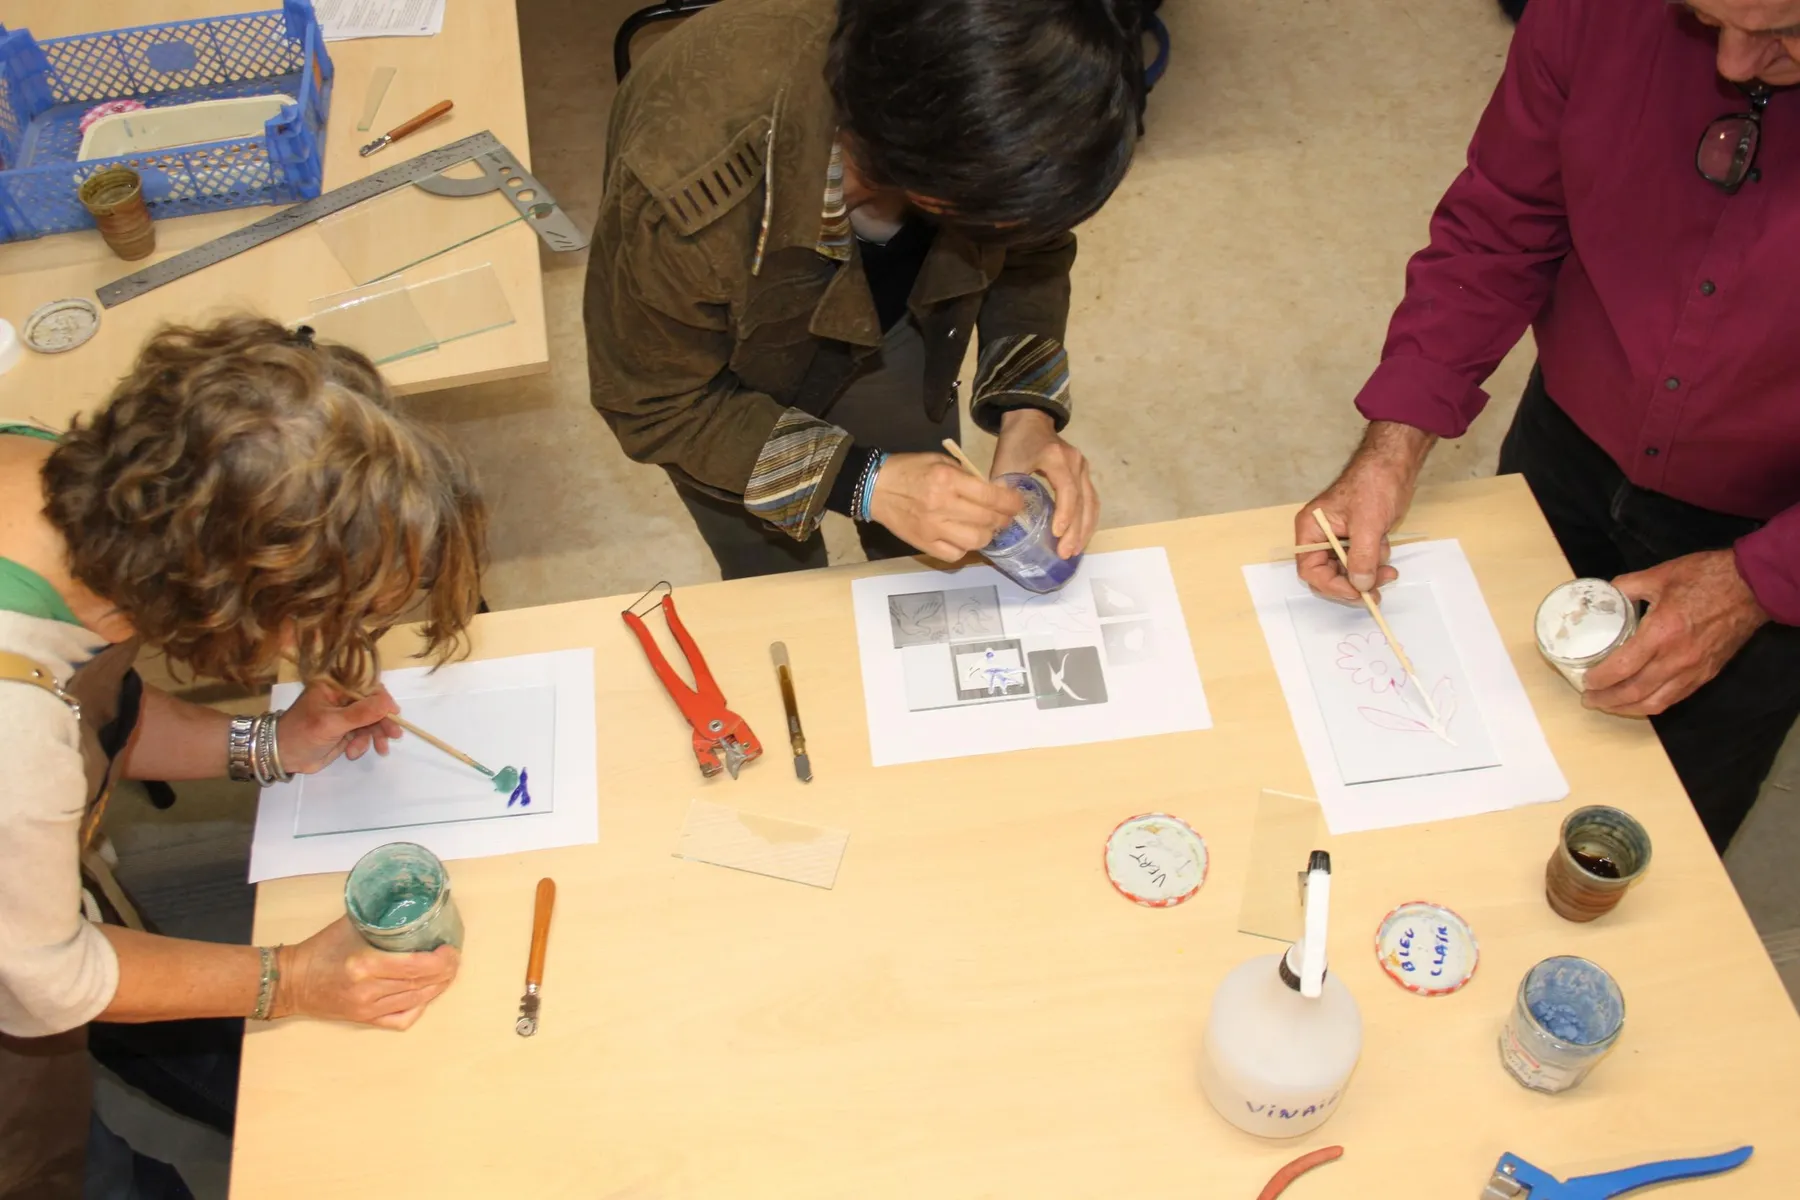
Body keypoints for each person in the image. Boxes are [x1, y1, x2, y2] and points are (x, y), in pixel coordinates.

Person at [1295, 0, 1800, 852]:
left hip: (1772, 524)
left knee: (1658, 833)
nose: (1737, 63)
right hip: (1566, 442)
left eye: (1786, 31)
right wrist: (1395, 442)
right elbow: (1501, 223)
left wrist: (1760, 579)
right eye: (1707, 17)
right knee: (1490, 743)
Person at [0, 318, 487, 1198]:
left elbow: (99, 714)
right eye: (333, 620)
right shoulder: (10, 737)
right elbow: (49, 977)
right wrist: (292, 977)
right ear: (225, 593)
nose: (342, 645)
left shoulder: (55, 480)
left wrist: (272, 742)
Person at [585, 0, 1143, 578]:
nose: (1018, 231)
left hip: (906, 311)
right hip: (720, 375)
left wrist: (1027, 414)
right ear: (919, 168)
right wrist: (865, 482)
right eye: (998, 217)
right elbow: (660, 406)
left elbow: (1033, 248)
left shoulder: (995, 124)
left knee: (921, 546)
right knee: (775, 575)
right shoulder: (685, 197)